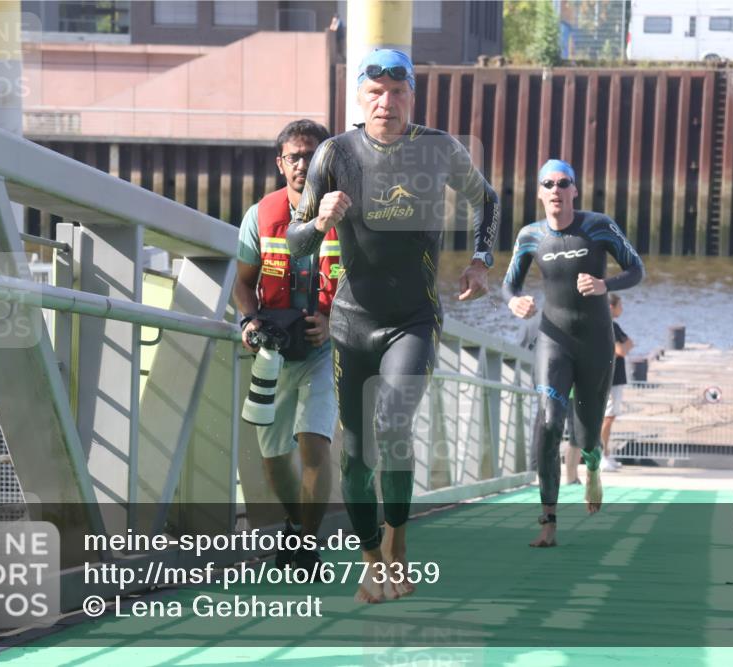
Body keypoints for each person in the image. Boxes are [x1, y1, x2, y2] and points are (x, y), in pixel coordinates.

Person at [287, 49, 499, 602]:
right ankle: (372, 557)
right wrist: (321, 220)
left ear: (412, 95)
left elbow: (488, 201)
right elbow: (294, 242)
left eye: (397, 91)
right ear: (359, 96)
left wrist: (481, 261)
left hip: (414, 320)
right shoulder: (333, 154)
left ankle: (400, 548)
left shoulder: (439, 149)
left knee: (392, 425)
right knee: (355, 456)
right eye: (375, 92)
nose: (387, 102)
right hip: (352, 324)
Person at [503, 158, 643, 548]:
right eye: (548, 184)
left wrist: (604, 283)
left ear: (575, 190)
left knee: (587, 433)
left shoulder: (597, 226)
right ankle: (548, 520)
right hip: (554, 339)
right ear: (540, 193)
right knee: (548, 422)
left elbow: (636, 268)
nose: (556, 190)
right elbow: (508, 287)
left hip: (596, 342)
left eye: (564, 183)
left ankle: (593, 468)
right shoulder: (531, 235)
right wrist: (514, 302)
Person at [233, 119, 338, 572]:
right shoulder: (260, 216)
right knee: (274, 456)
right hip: (272, 351)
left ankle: (306, 545)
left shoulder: (347, 215)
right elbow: (242, 282)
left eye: (312, 155)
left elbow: (366, 286)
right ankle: (298, 527)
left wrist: (333, 323)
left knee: (313, 442)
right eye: (294, 156)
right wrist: (247, 319)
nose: (302, 164)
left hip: (325, 351)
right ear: (280, 164)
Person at [600, 294, 633, 472]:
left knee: (609, 417)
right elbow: (621, 349)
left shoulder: (615, 326)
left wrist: (623, 347)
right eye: (620, 305)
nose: (622, 308)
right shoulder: (607, 326)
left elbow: (630, 344)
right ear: (611, 307)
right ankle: (600, 455)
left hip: (616, 377)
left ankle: (605, 453)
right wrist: (623, 347)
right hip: (609, 377)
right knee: (606, 417)